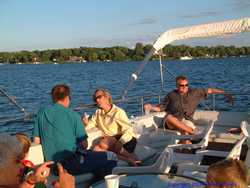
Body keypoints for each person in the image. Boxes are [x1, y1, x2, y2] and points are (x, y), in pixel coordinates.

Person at [33, 84, 117, 176]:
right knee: (111, 157)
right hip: (71, 164)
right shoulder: (73, 115)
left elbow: (36, 140)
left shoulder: (41, 113)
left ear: (53, 98)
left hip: (53, 167)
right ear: (67, 97)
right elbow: (85, 144)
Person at [144, 75, 233, 143]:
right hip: (172, 123)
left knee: (184, 133)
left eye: (186, 85)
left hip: (187, 121)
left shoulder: (194, 93)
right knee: (169, 117)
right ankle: (194, 133)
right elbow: (161, 108)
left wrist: (224, 93)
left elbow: (209, 90)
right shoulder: (171, 95)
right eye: (182, 85)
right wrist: (151, 107)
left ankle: (187, 152)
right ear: (177, 85)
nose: (185, 87)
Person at [82, 88, 141, 166]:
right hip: (110, 142)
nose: (97, 100)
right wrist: (85, 123)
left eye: (99, 97)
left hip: (126, 140)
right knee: (96, 150)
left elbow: (129, 130)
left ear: (107, 97)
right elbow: (91, 124)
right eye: (95, 98)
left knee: (104, 142)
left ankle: (132, 157)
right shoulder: (98, 113)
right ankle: (128, 160)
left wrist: (121, 141)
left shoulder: (118, 112)